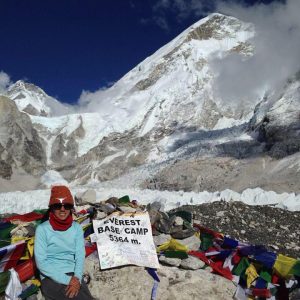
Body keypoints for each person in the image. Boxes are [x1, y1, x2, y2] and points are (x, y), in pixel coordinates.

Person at [34, 185, 93, 299]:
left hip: (73, 275)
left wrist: (76, 277)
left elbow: (80, 255)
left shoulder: (76, 228)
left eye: (67, 206)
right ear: (51, 207)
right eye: (57, 205)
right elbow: (41, 262)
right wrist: (68, 280)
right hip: (50, 277)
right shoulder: (42, 229)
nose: (62, 209)